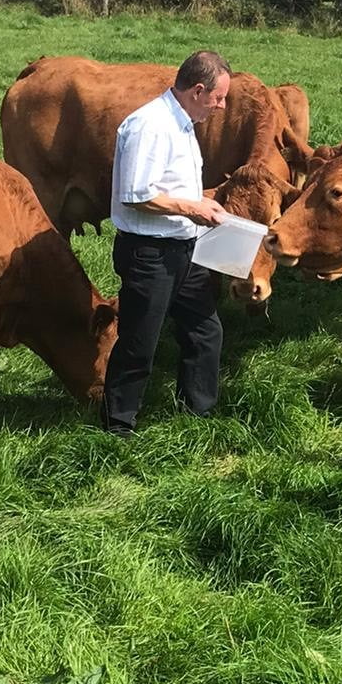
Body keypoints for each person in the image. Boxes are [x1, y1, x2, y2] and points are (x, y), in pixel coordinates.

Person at [101, 50, 232, 437]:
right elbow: (135, 194)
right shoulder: (150, 126)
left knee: (206, 330)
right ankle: (117, 426)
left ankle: (197, 413)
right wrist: (192, 208)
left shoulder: (183, 123)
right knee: (139, 342)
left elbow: (169, 186)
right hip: (150, 254)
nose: (222, 107)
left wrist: (202, 202)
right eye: (219, 98)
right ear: (197, 90)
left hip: (184, 249)